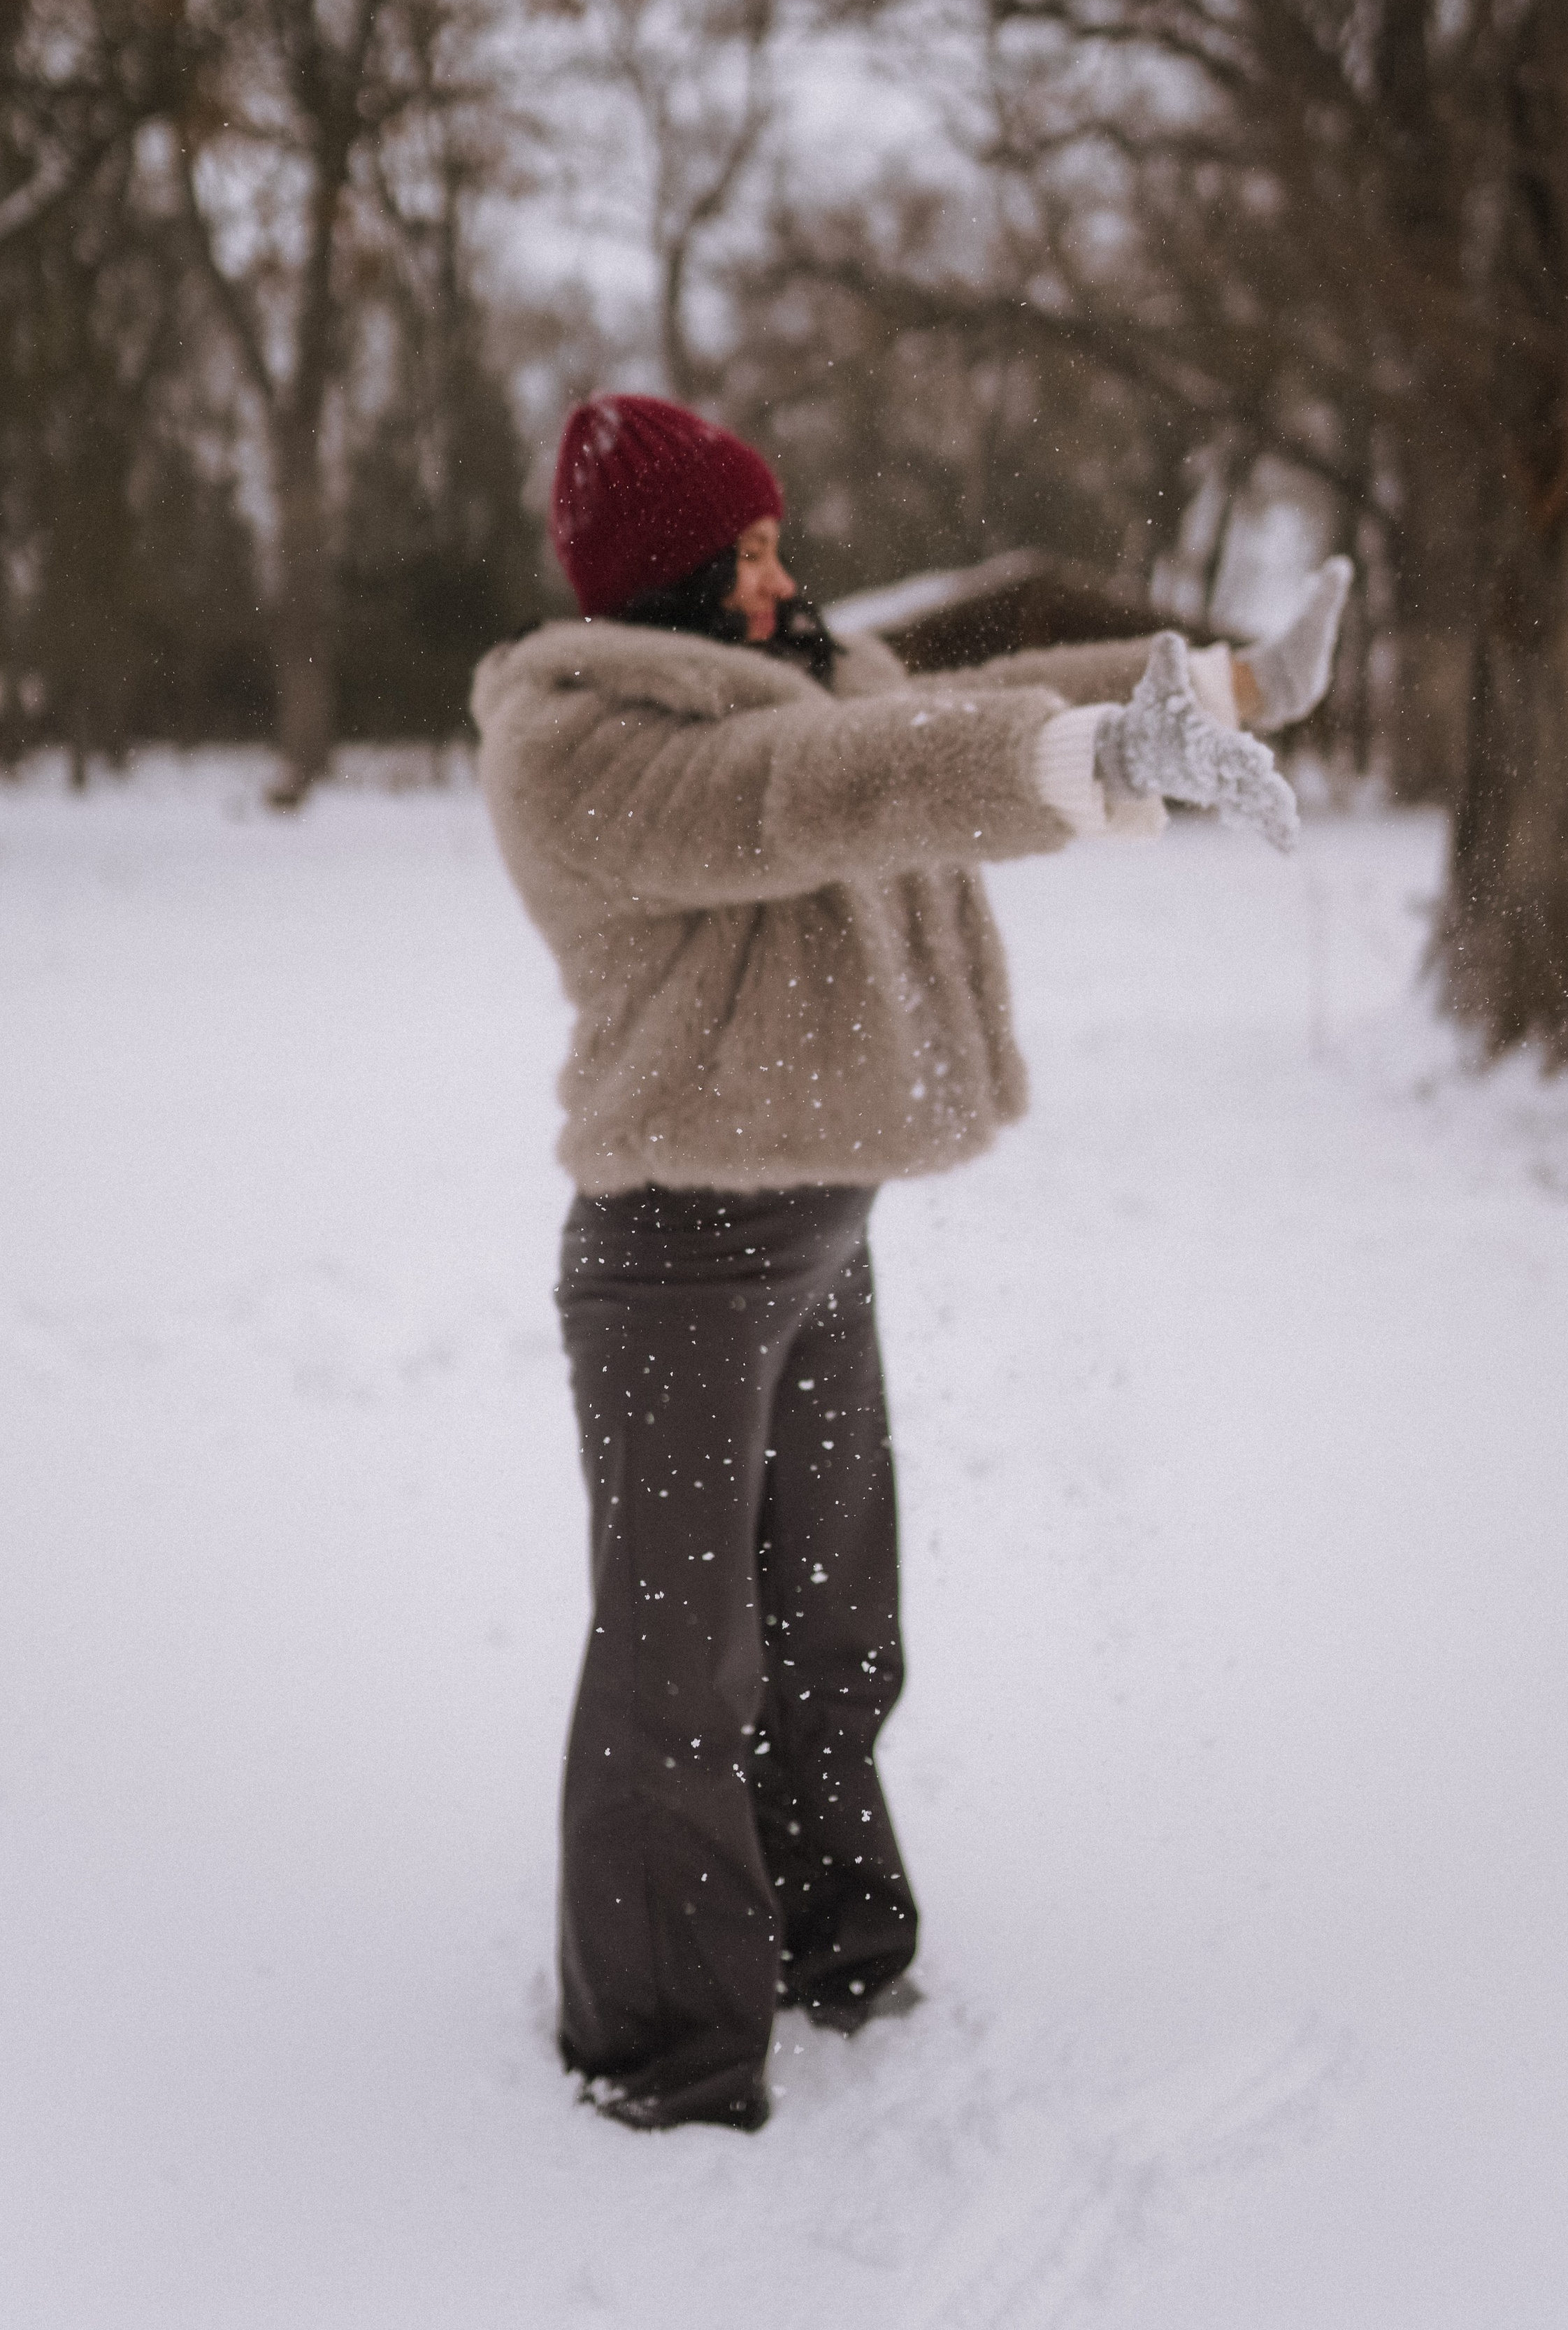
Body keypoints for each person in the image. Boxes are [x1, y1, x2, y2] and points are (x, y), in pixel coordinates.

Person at [472, 394, 1351, 2134]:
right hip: (673, 1254)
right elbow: (810, 793)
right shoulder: (581, 746)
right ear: (667, 582)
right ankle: (661, 2040)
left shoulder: (787, 664)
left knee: (828, 1630)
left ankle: (829, 1943)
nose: (784, 575)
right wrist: (1086, 766)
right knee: (680, 1668)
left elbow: (924, 703)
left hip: (811, 1223)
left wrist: (1227, 683)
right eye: (749, 552)